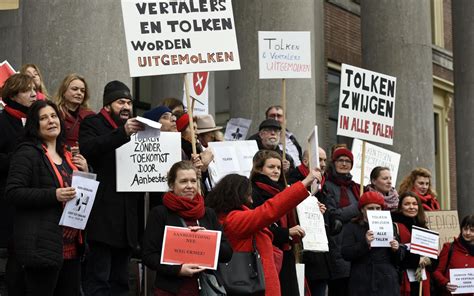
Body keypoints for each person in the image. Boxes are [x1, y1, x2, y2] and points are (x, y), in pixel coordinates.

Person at [5, 100, 89, 295]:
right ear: (35, 125)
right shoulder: (27, 153)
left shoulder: (67, 155)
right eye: (43, 118)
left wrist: (86, 171)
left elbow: (81, 192)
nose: (51, 121)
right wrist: (54, 195)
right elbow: (13, 193)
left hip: (72, 246)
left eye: (53, 116)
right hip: (42, 246)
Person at [206, 170, 321, 296]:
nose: (251, 199)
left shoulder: (232, 217)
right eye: (248, 194)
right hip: (253, 287)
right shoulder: (235, 219)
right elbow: (271, 209)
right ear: (238, 195)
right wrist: (304, 183)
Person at [79, 80, 144, 295]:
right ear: (107, 105)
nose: (126, 107)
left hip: (127, 221)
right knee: (99, 281)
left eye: (128, 102)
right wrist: (122, 133)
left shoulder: (139, 129)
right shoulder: (92, 123)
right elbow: (90, 148)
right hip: (102, 219)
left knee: (120, 283)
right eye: (120, 102)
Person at [142, 160, 233, 295]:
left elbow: (227, 254)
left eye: (193, 181)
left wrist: (208, 239)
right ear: (172, 185)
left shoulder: (208, 213)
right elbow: (149, 256)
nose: (190, 186)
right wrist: (178, 270)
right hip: (171, 290)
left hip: (204, 289)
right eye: (183, 181)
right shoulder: (160, 213)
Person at [0, 73, 37, 294]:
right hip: (8, 198)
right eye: (27, 90)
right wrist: (19, 160)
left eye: (35, 89)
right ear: (14, 95)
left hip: (32, 197)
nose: (34, 94)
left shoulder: (34, 121)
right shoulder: (3, 121)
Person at [250, 150, 306, 295]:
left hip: (285, 252)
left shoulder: (282, 191)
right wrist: (286, 232)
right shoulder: (252, 192)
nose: (276, 171)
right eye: (271, 167)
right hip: (266, 254)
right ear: (259, 168)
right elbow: (258, 225)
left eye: (279, 168)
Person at [288, 147, 331, 296]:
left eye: (325, 160)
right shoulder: (292, 180)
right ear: (306, 161)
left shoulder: (324, 185)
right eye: (319, 159)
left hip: (319, 255)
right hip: (300, 251)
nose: (324, 164)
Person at [342, 191, 403, 296]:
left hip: (387, 281)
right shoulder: (352, 227)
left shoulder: (390, 226)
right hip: (362, 282)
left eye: (378, 208)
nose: (375, 211)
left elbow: (399, 258)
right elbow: (346, 253)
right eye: (370, 209)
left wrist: (396, 249)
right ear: (362, 210)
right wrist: (364, 243)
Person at [324, 147, 361, 296]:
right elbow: (333, 214)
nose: (344, 164)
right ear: (334, 163)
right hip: (336, 245)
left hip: (354, 245)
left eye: (347, 161)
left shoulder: (356, 188)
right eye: (340, 160)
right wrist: (358, 207)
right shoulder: (327, 185)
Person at [392, 192, 433, 296]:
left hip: (422, 280)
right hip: (402, 280)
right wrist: (416, 260)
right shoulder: (394, 226)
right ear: (400, 207)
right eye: (407, 204)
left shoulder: (424, 228)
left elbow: (434, 257)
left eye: (415, 204)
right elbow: (394, 255)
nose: (411, 207)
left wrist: (428, 260)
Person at [432, 214, 474, 296]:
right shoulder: (449, 247)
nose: (467, 233)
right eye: (465, 229)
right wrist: (445, 283)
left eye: (472, 230)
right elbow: (437, 271)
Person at [54, 73, 95, 148]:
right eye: (75, 89)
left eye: (82, 91)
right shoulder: (54, 113)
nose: (79, 93)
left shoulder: (90, 116)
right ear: (64, 92)